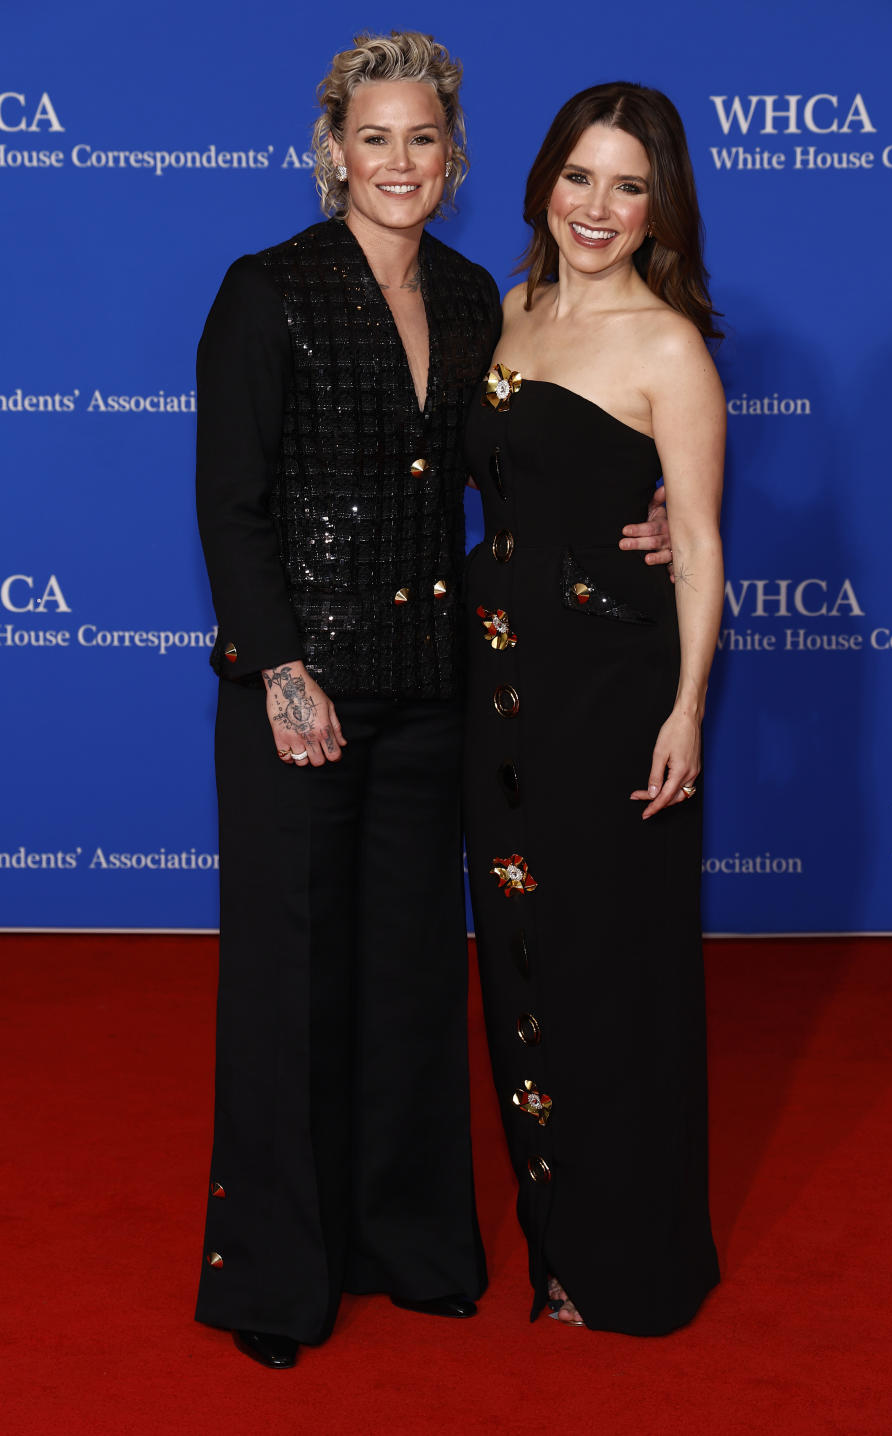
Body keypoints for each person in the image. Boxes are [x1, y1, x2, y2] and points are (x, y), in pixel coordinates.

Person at [194, 32, 674, 1368]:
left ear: (454, 159)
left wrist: (660, 515)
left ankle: (410, 1245)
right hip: (300, 694)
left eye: (422, 140)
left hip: (437, 693)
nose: (398, 162)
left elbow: (543, 445)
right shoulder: (269, 292)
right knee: (291, 990)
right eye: (373, 138)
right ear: (333, 153)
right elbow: (229, 507)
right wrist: (283, 669)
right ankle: (276, 1282)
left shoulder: (480, 303)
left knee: (409, 986)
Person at [462, 81, 725, 1336]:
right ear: (545, 182)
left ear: (660, 204)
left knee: (614, 981)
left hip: (613, 702)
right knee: (522, 977)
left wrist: (686, 708)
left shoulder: (669, 344)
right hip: (496, 698)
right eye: (580, 176)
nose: (598, 207)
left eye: (629, 184)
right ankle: (552, 1245)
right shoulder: (506, 311)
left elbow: (706, 542)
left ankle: (631, 1260)